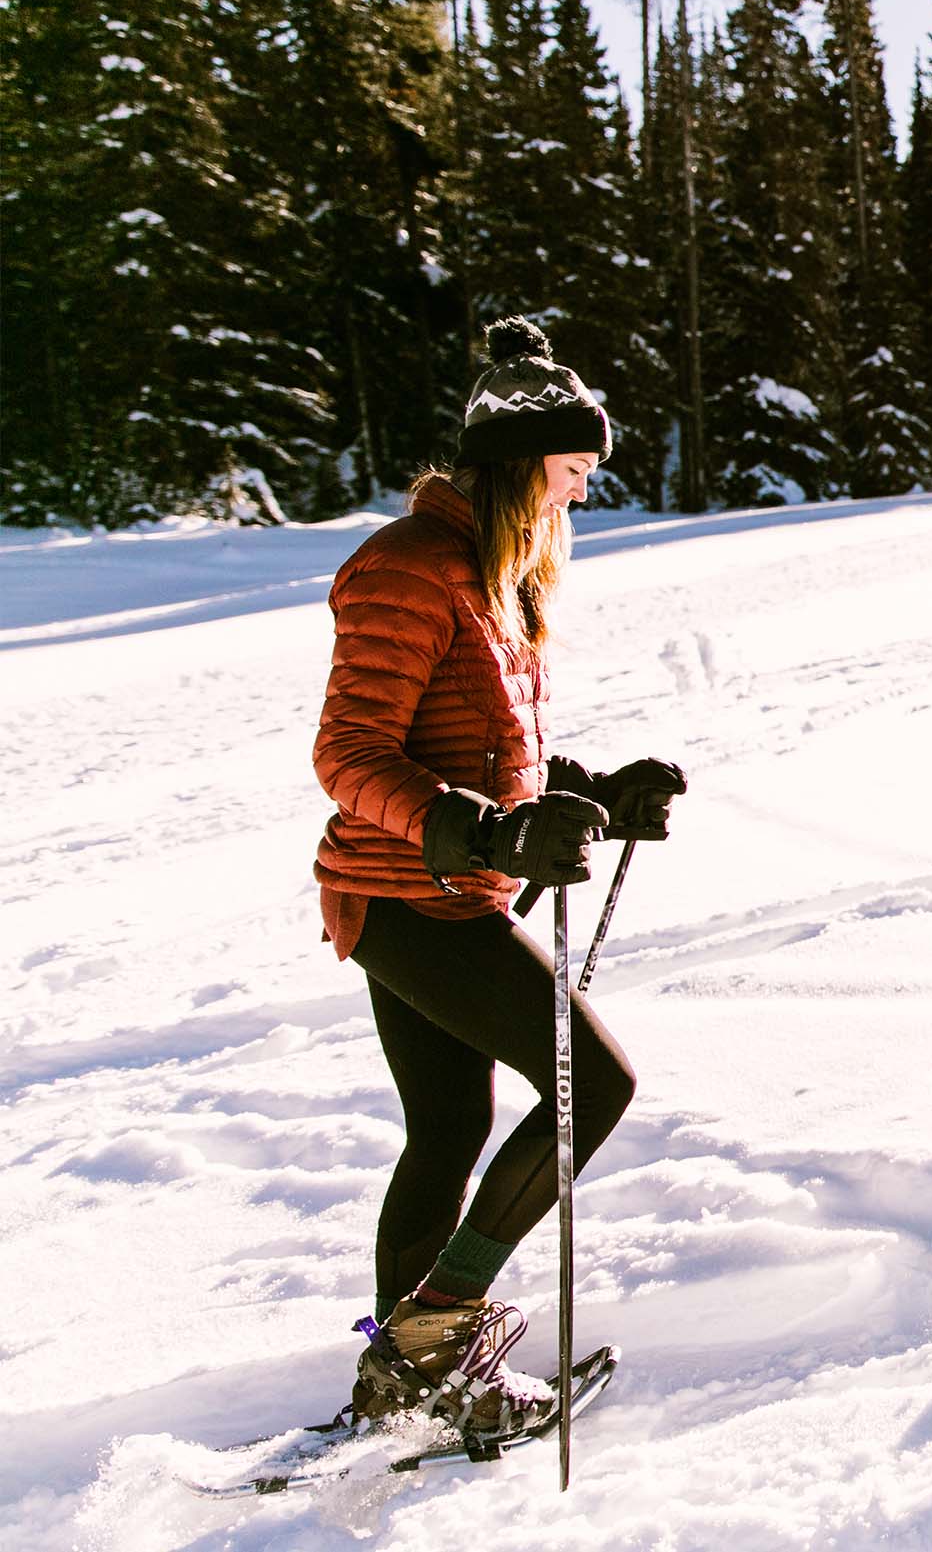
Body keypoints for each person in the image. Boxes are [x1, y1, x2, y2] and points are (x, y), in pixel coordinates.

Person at [310, 318, 687, 1430]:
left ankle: (407, 1383)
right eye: (570, 472)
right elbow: (349, 754)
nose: (578, 497)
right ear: (522, 465)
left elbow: (480, 748)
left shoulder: (492, 577)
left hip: (436, 888)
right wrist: (479, 837)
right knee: (592, 1089)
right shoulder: (406, 569)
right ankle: (434, 1338)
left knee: (447, 1130)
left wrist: (589, 793)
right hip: (404, 894)